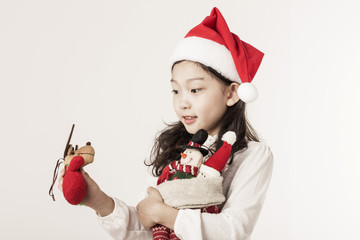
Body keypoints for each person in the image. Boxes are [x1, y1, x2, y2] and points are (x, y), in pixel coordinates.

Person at [58, 7, 273, 240]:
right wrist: (97, 200)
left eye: (195, 89)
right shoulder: (174, 151)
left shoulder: (252, 156)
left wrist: (165, 213)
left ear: (231, 94)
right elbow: (148, 227)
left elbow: (233, 231)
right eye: (175, 90)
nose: (182, 103)